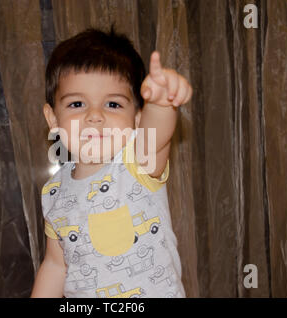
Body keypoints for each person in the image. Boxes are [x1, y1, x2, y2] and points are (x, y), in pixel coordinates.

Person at [31, 27, 192, 298]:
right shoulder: (53, 192)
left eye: (113, 104)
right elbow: (56, 265)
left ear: (137, 119)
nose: (95, 115)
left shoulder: (136, 163)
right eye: (77, 104)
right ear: (53, 120)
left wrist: (162, 104)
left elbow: (158, 133)